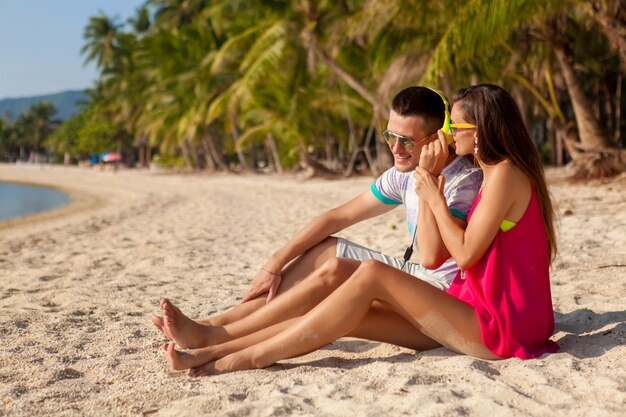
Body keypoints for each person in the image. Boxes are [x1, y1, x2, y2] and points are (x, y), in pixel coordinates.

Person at [159, 83, 559, 375]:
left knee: (366, 275)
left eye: (455, 130)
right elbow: (337, 217)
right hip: (467, 306)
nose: (450, 138)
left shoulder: (496, 175)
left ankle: (242, 356)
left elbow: (460, 255)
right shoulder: (493, 172)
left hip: (497, 328)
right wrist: (275, 260)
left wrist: (431, 188)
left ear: (482, 129)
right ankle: (214, 345)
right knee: (340, 308)